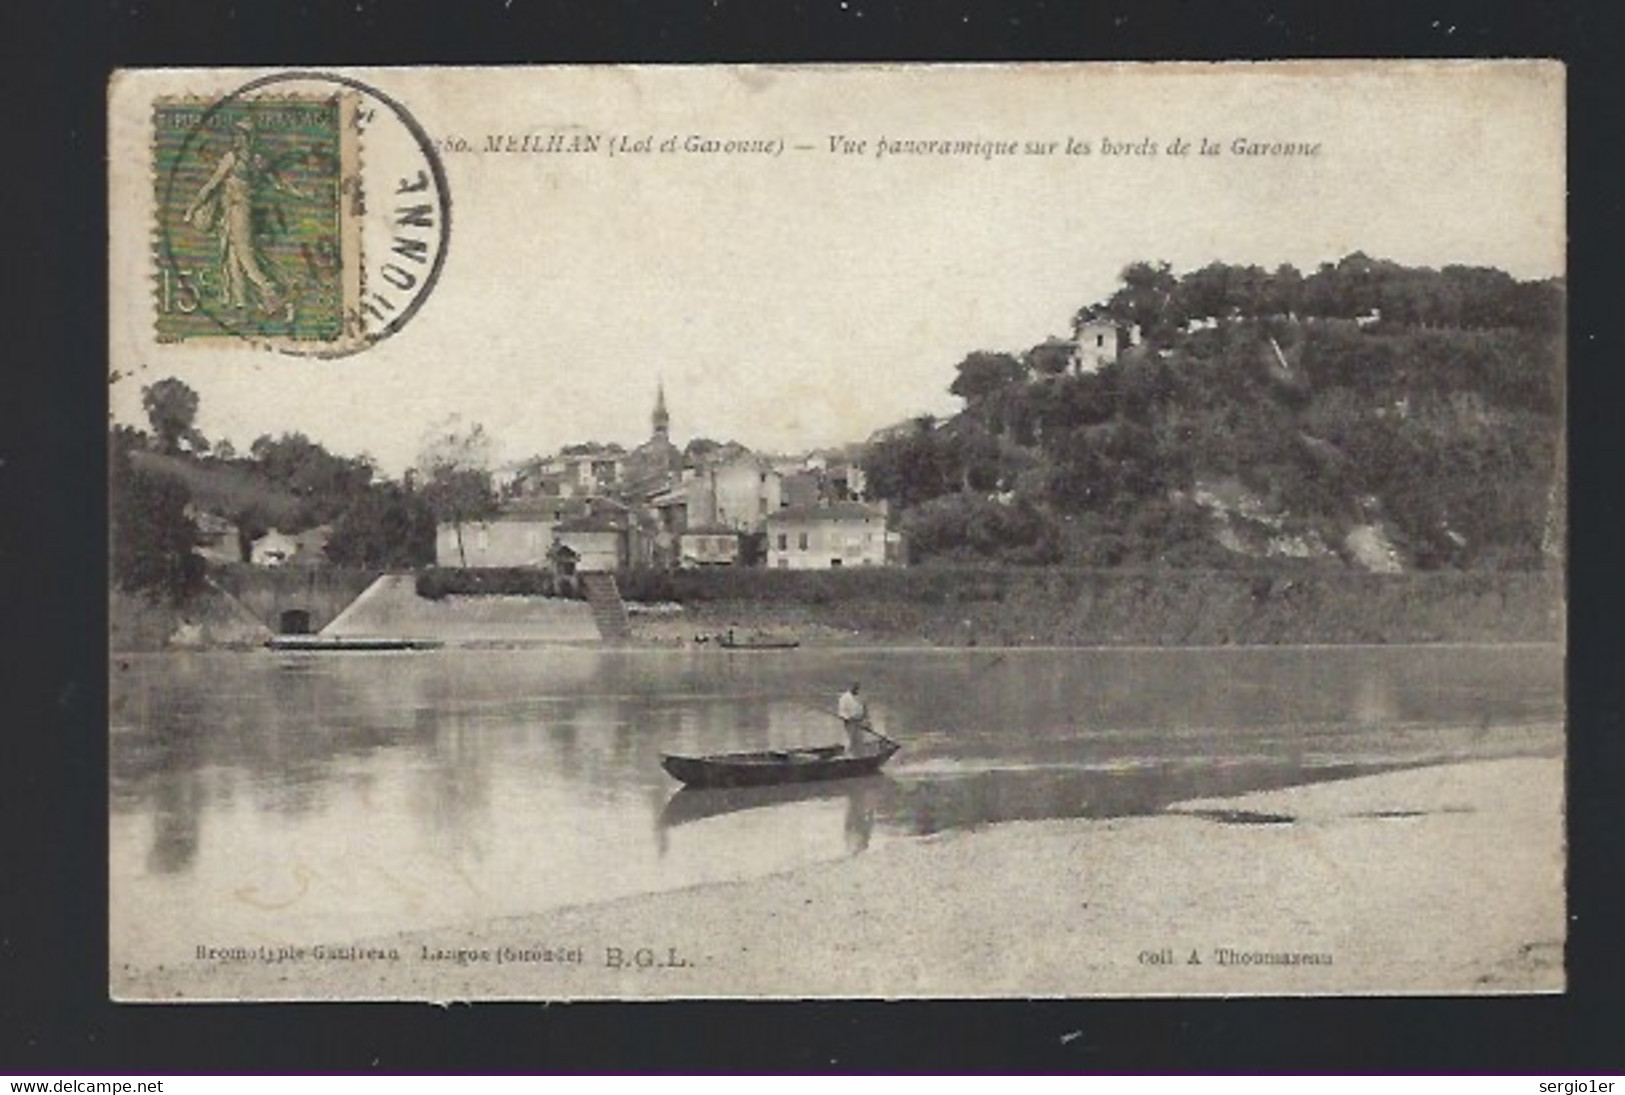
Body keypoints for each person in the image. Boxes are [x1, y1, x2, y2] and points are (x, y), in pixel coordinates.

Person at [837, 681, 868, 755]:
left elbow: (864, 709)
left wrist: (865, 719)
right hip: (850, 722)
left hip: (859, 721)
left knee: (860, 739)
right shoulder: (844, 698)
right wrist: (847, 718)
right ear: (851, 687)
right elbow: (841, 711)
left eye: (857, 688)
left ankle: (859, 755)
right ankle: (848, 755)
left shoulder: (861, 697)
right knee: (850, 739)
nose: (856, 689)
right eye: (854, 687)